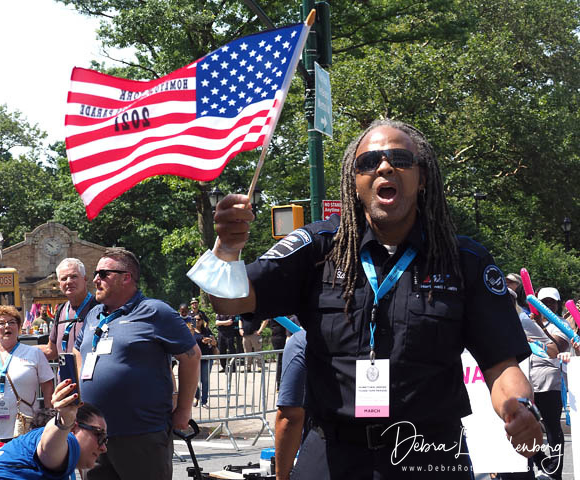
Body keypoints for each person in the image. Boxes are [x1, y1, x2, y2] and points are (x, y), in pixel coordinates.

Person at [207, 119, 542, 478]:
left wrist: (519, 408)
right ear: (354, 183)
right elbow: (229, 302)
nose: (384, 167)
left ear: (422, 178)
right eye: (368, 162)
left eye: (400, 159)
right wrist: (226, 249)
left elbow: (501, 365)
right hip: (332, 455)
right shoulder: (316, 249)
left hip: (429, 455)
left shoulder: (464, 261)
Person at [73, 247, 200, 480]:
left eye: (103, 274)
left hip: (142, 433)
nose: (95, 279)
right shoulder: (93, 315)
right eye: (95, 273)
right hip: (93, 433)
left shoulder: (155, 311)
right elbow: (77, 350)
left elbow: (191, 357)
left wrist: (183, 409)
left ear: (126, 277)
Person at [0, 379, 107, 479]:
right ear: (73, 428)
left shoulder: (27, 445)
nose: (104, 448)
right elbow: (49, 450)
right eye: (99, 435)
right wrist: (64, 422)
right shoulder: (68, 439)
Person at [0, 305, 54, 442]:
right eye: (1, 323)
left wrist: (48, 416)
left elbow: (47, 385)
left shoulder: (34, 353)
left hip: (24, 431)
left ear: (19, 327)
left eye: (12, 322)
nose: (7, 326)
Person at [528, 287, 569, 480]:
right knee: (525, 427)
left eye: (552, 302)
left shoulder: (561, 324)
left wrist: (540, 327)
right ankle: (542, 462)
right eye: (544, 302)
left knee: (552, 427)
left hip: (549, 381)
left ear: (558, 304)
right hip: (526, 381)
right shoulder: (526, 321)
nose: (548, 305)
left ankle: (555, 472)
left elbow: (558, 348)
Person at [39, 258, 99, 361]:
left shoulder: (99, 308)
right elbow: (51, 351)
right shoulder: (61, 311)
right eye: (64, 278)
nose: (69, 282)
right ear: (59, 285)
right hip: (64, 371)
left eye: (74, 276)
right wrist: (19, 349)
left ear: (85, 279)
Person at [275, 329, 312, 480]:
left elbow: (290, 416)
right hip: (383, 456)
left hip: (328, 456)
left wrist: (281, 476)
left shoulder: (303, 340)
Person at [193, 314, 216, 408]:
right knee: (194, 380)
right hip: (194, 359)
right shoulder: (190, 331)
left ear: (202, 321)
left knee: (205, 380)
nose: (196, 321)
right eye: (194, 319)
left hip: (206, 358)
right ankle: (196, 396)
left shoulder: (207, 330)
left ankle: (204, 401)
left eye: (198, 319)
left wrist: (209, 340)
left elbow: (214, 343)